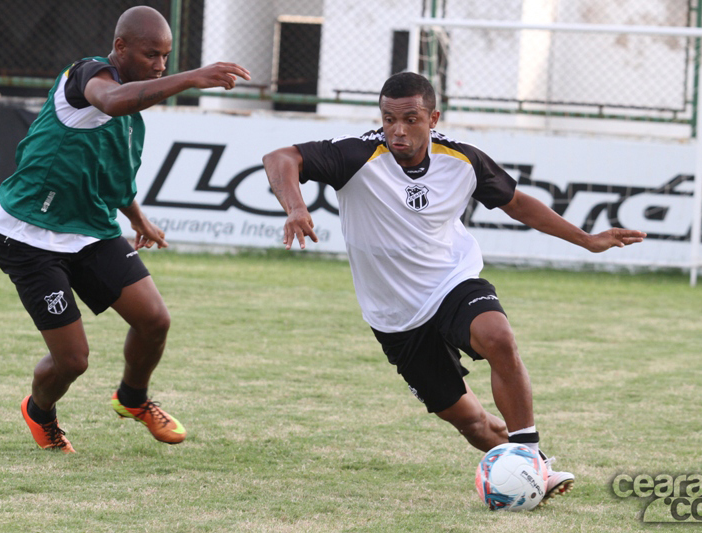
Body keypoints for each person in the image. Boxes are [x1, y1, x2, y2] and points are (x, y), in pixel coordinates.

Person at [263, 72, 646, 505]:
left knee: (498, 337)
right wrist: (296, 207)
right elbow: (280, 158)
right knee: (473, 424)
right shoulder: (355, 154)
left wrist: (586, 239)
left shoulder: (462, 159)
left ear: (433, 118)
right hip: (395, 316)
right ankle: (533, 471)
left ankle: (530, 454)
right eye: (389, 119)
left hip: (451, 280)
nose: (397, 130)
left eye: (410, 119)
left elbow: (517, 203)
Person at [0, 6, 250, 453]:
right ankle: (40, 411)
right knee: (73, 361)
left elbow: (111, 177)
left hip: (90, 230)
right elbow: (110, 100)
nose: (160, 65)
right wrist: (191, 77)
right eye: (152, 55)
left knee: (154, 320)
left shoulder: (132, 116)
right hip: (29, 236)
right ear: (121, 46)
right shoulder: (87, 76)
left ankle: (133, 398)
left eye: (166, 57)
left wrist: (137, 218)